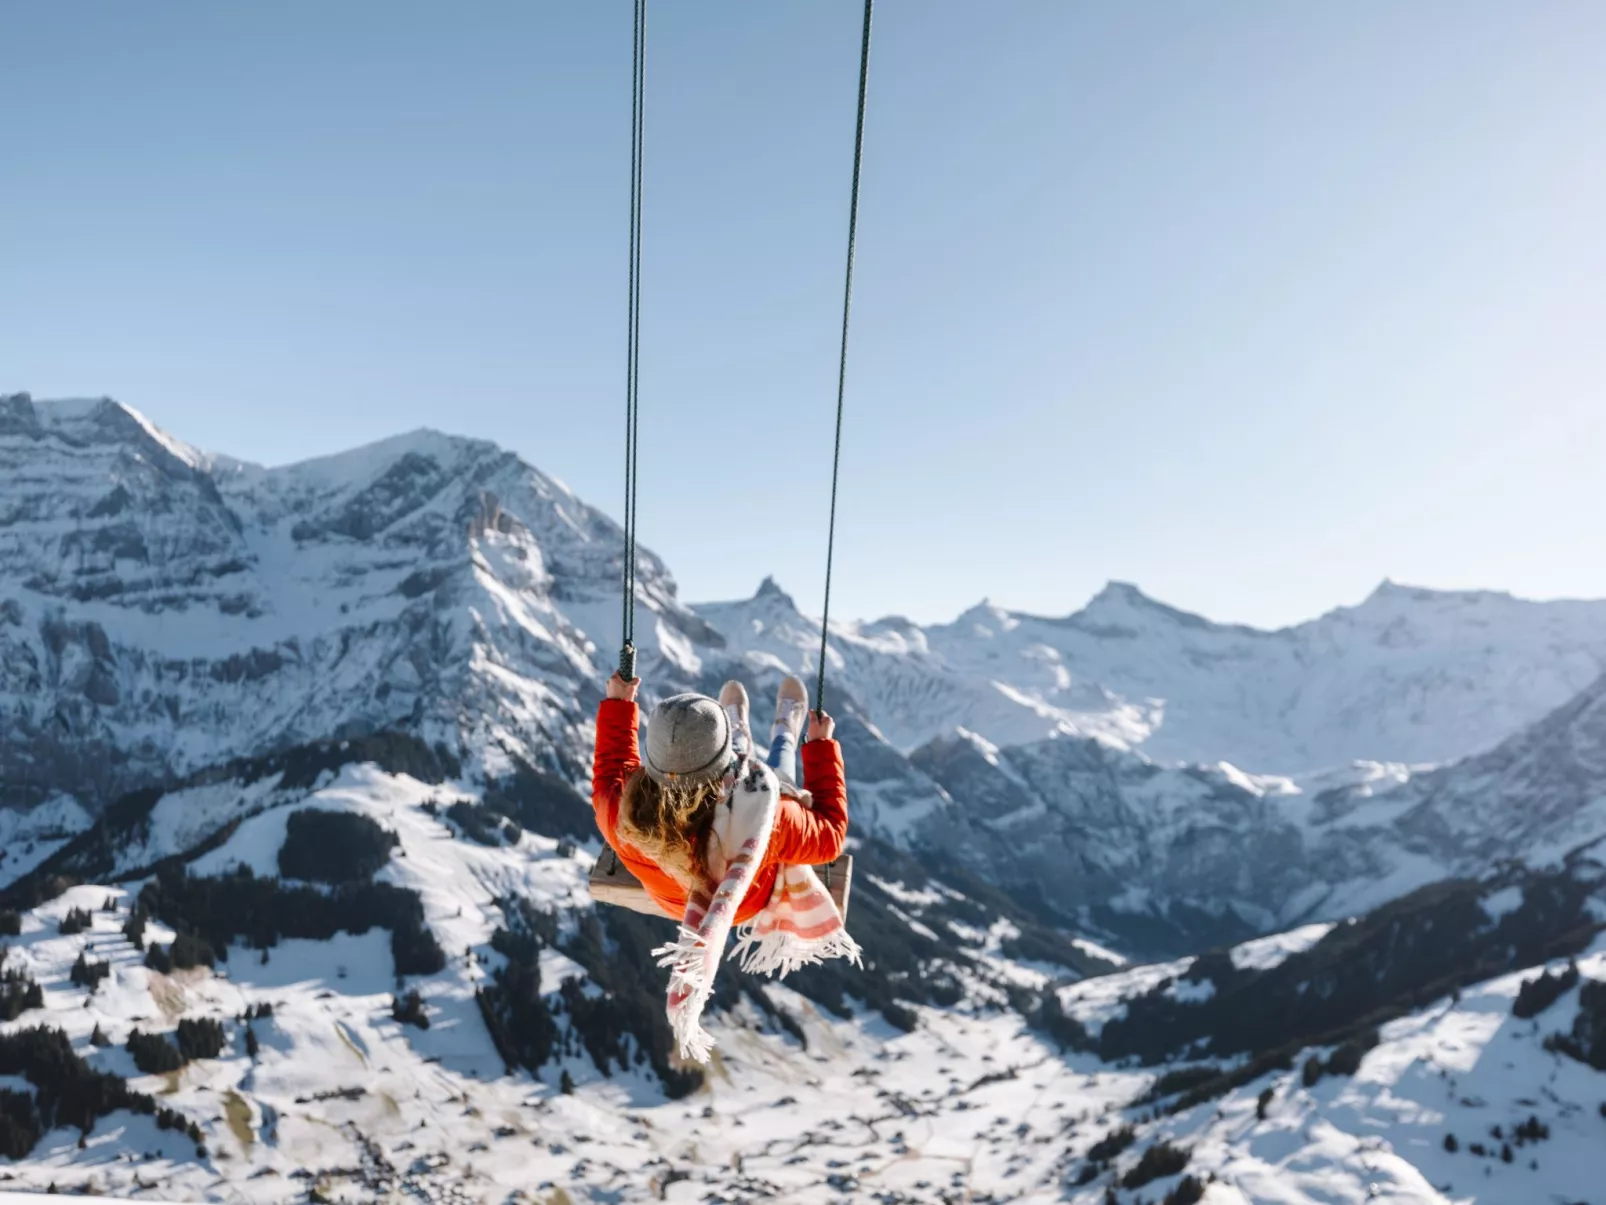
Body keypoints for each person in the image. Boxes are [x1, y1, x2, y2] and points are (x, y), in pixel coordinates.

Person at [590, 672, 847, 925]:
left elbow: (612, 767)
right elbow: (830, 836)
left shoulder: (624, 816)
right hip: (743, 904)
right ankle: (783, 735)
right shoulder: (766, 820)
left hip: (673, 902)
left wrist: (618, 705)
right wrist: (821, 745)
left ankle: (738, 738)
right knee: (778, 781)